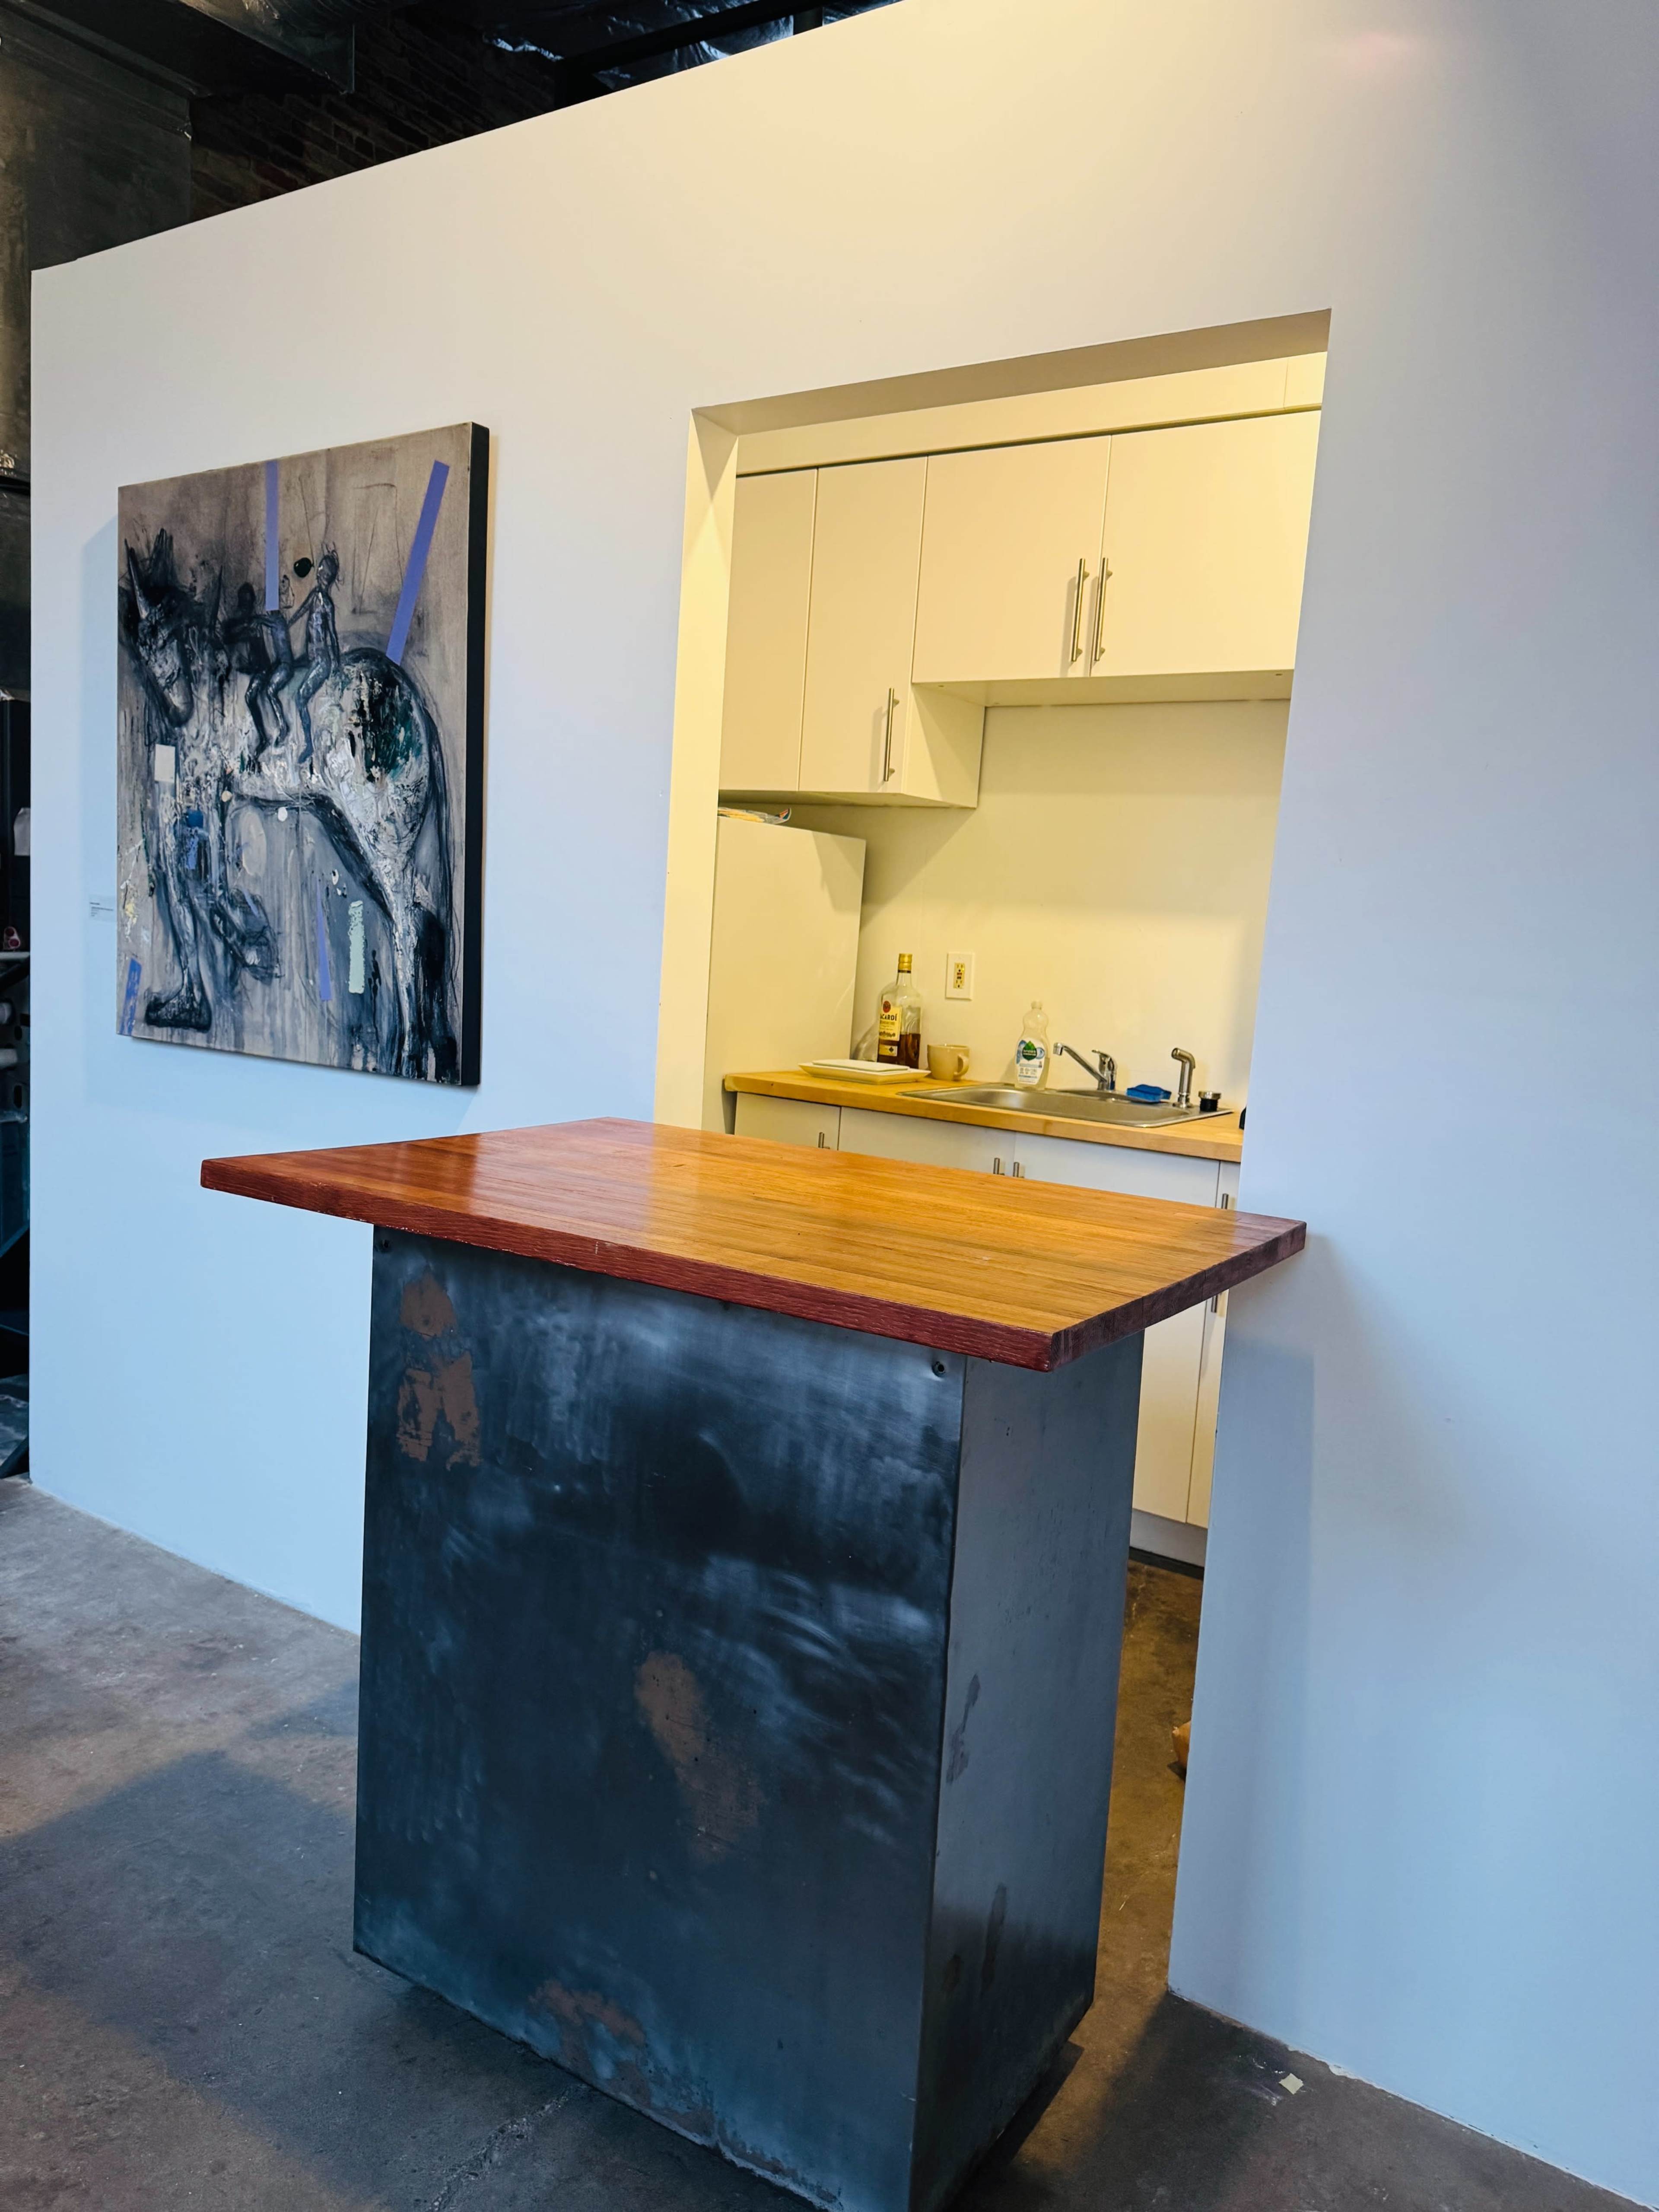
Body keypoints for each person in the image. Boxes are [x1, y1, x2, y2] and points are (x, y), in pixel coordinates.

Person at [224, 581, 292, 756]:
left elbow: (260, 650)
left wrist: (250, 625)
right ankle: (265, 736)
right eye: (242, 603)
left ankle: (271, 733)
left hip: (263, 669)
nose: (245, 607)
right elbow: (229, 634)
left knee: (254, 695)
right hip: (259, 667)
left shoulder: (263, 622)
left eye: (247, 603)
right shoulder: (247, 622)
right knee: (250, 697)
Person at [287, 547, 341, 763]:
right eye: (322, 573)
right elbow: (301, 612)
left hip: (322, 660)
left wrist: (337, 661)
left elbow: (334, 635)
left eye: (327, 575)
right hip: (312, 657)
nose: (323, 577)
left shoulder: (327, 604)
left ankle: (309, 744)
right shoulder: (314, 596)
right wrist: (287, 624)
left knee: (300, 698)